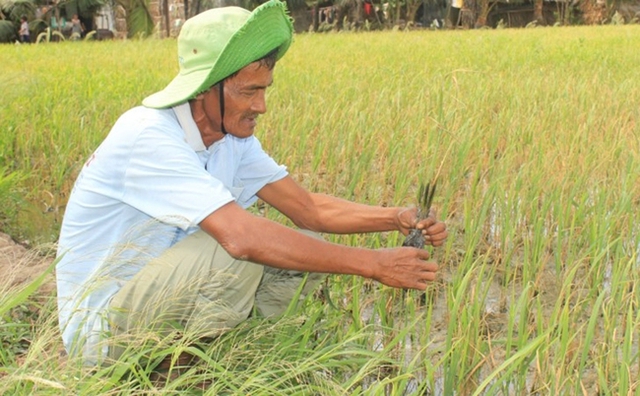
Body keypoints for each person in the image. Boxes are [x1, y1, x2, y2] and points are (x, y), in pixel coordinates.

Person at [55, 0, 448, 366]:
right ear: (205, 88)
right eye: (249, 92)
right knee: (233, 249)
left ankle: (236, 353)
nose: (261, 106)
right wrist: (372, 264)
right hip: (102, 331)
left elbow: (308, 209)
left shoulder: (231, 139)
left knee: (306, 254)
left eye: (264, 90)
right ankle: (178, 369)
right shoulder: (149, 136)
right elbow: (240, 238)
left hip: (155, 302)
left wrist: (395, 217)